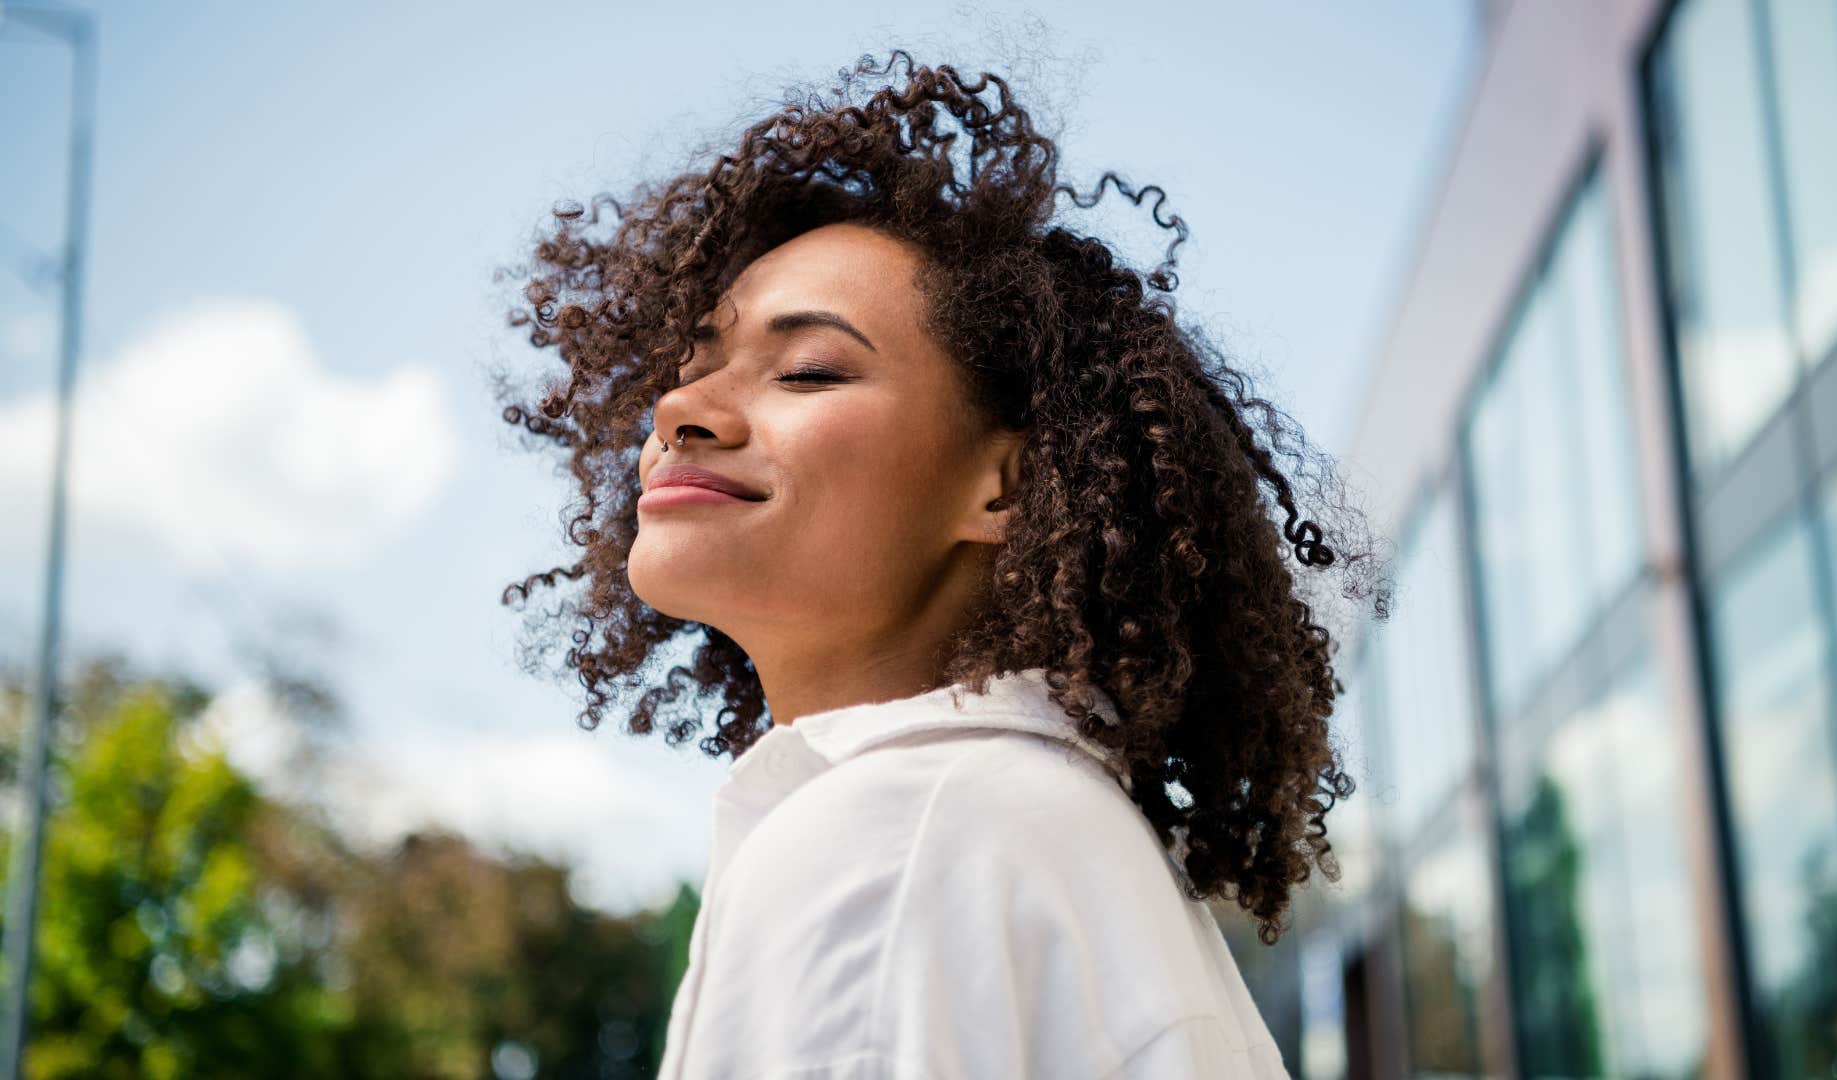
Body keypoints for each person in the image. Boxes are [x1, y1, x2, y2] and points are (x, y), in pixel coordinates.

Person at [496, 49, 1382, 1079]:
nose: (678, 409)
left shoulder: (886, 850)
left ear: (1007, 488)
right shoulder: (1042, 839)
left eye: (807, 369)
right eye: (692, 367)